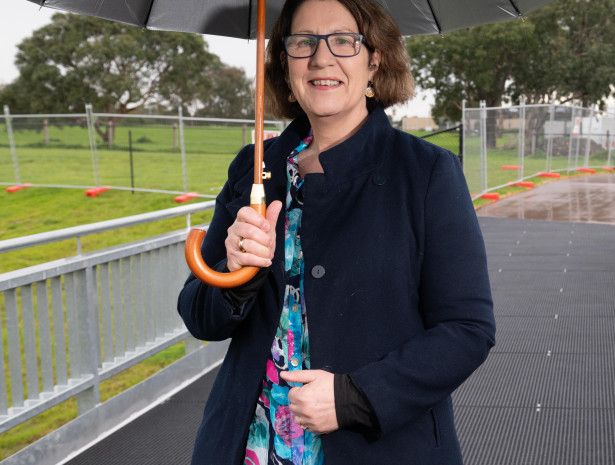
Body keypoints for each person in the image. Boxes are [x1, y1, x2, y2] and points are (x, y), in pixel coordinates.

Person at [176, 0, 494, 463]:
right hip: (249, 447)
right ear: (285, 64)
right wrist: (235, 275)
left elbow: (468, 330)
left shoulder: (427, 174)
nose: (321, 58)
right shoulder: (255, 169)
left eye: (343, 41)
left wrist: (355, 397)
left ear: (375, 60)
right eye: (303, 42)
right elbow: (199, 315)